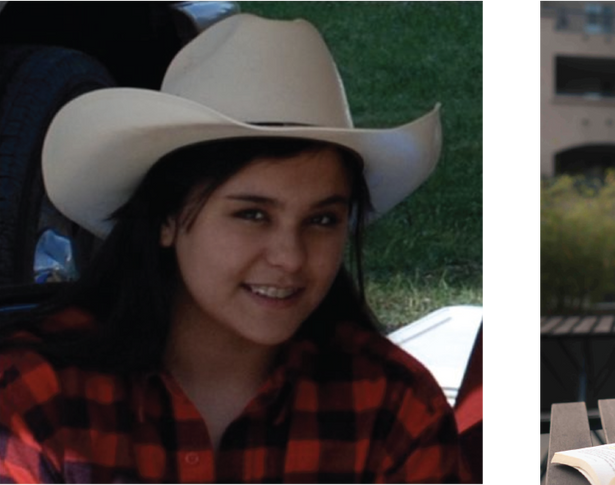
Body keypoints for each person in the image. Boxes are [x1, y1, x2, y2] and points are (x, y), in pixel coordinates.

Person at [0, 13, 462, 484]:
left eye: (322, 220)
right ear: (166, 218)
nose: (290, 257)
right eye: (252, 214)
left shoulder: (390, 406)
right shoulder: (40, 391)